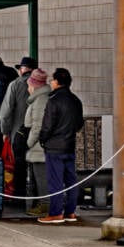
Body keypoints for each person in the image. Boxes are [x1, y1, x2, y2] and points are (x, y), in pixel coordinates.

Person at [37, 68, 84, 224]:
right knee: (71, 179)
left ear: (57, 82)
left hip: (54, 147)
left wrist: (42, 139)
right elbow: (79, 124)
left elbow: (47, 125)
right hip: (69, 144)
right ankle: (70, 211)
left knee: (55, 181)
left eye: (52, 80)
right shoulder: (76, 100)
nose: (51, 82)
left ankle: (56, 213)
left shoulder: (53, 100)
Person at [0, 56, 36, 197]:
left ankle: (19, 194)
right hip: (37, 131)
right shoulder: (44, 86)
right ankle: (36, 193)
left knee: (19, 163)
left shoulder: (14, 85)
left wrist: (5, 131)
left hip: (18, 132)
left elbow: (6, 112)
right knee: (36, 163)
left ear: (22, 70)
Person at [22, 68, 52, 216]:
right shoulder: (43, 98)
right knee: (41, 176)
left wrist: (28, 143)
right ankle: (43, 204)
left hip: (38, 147)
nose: (28, 88)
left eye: (29, 85)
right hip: (41, 145)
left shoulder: (40, 100)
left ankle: (45, 206)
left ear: (33, 85)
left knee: (41, 177)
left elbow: (37, 126)